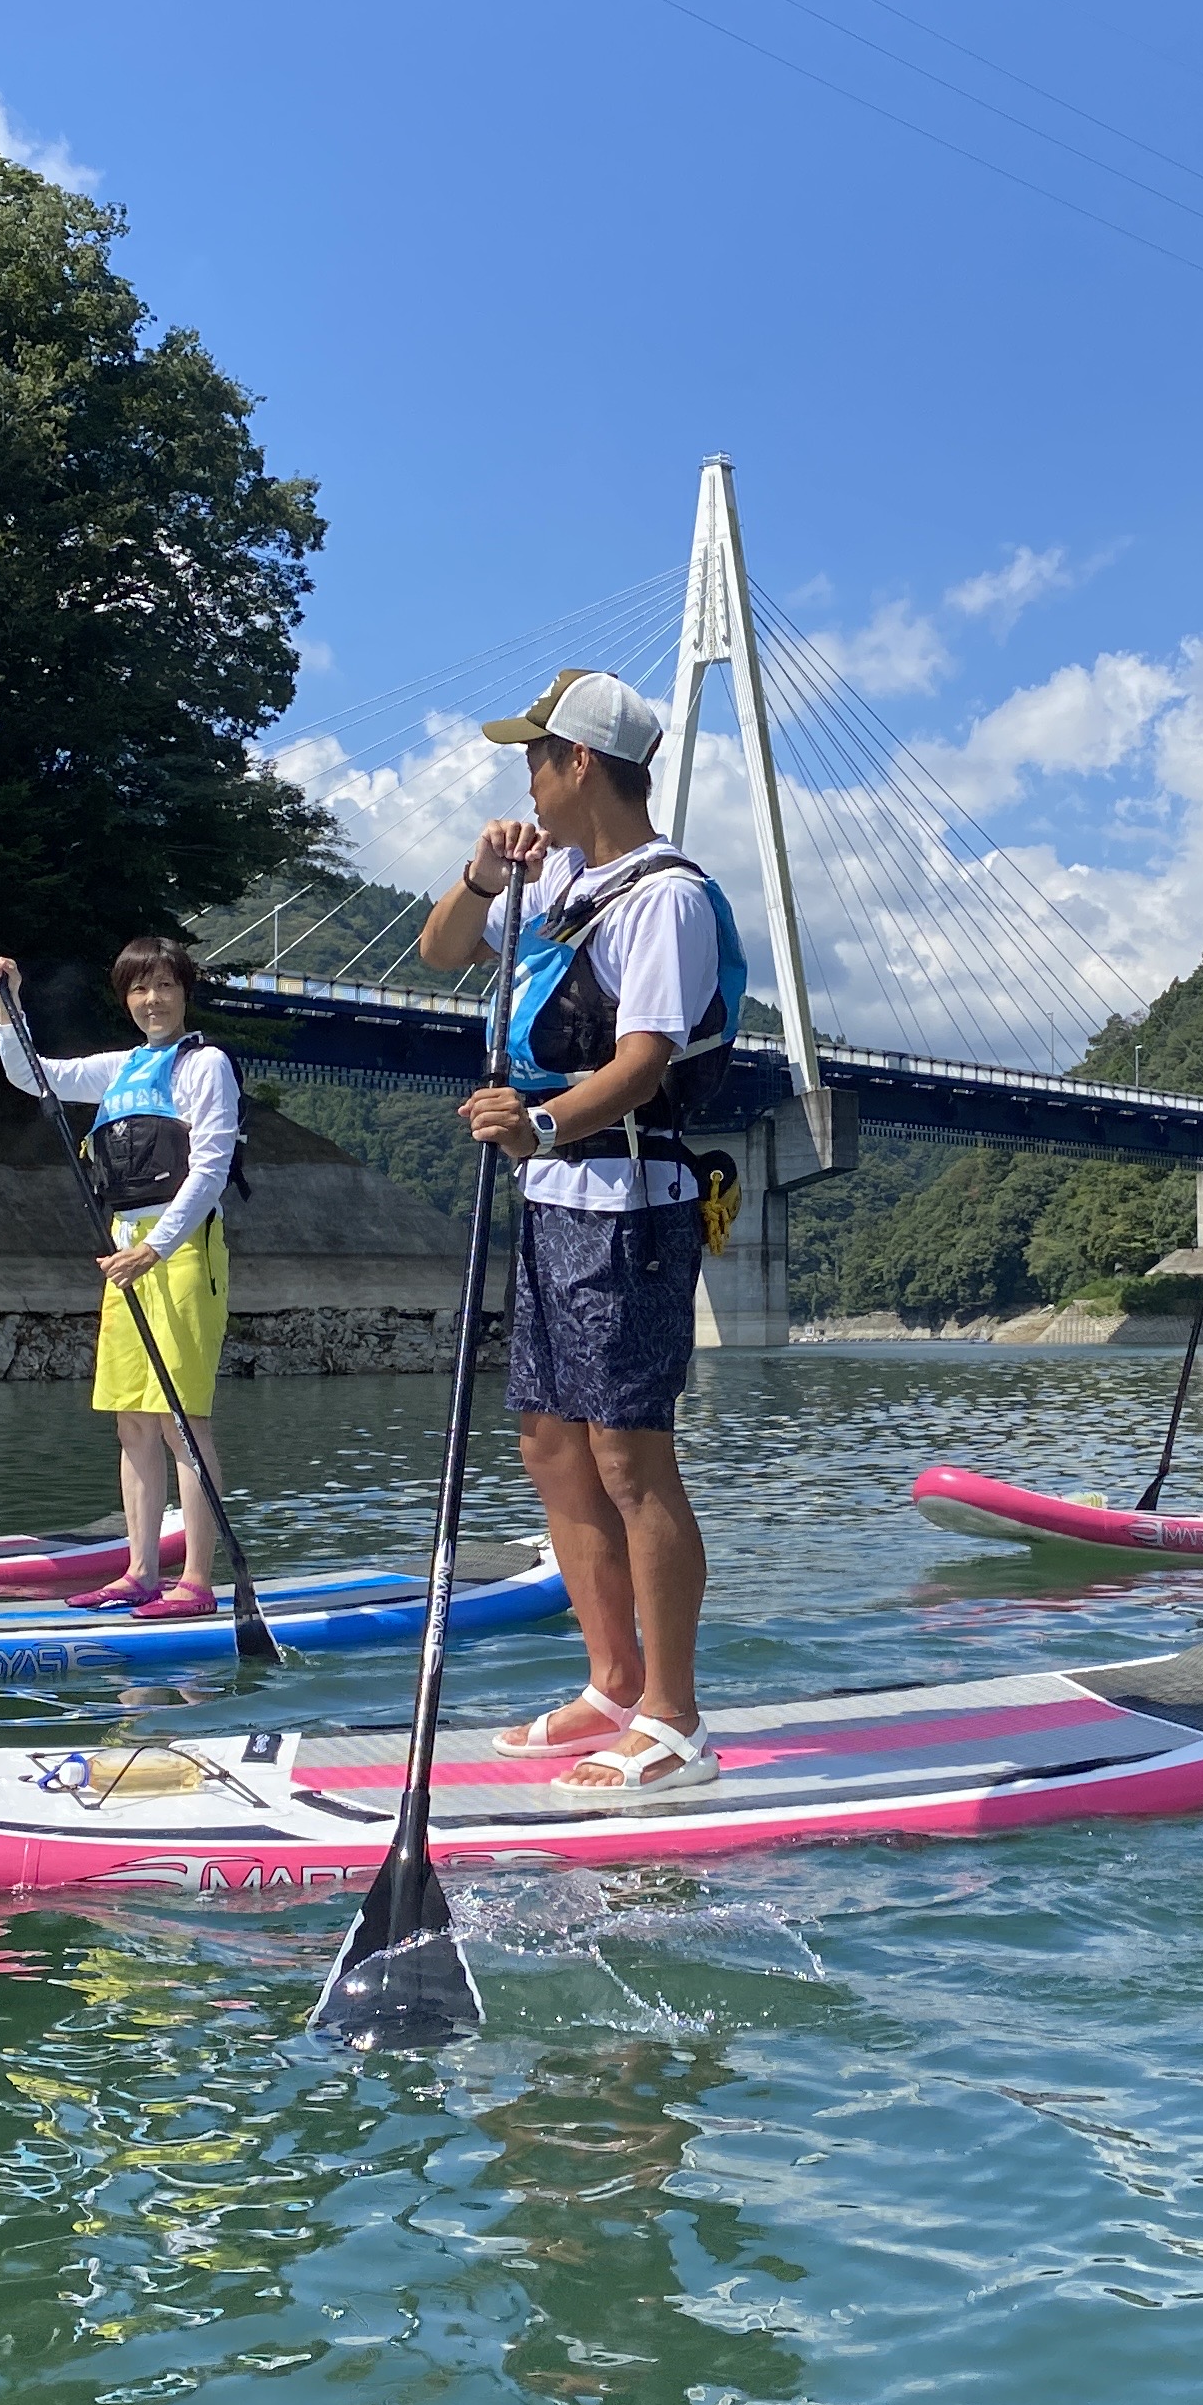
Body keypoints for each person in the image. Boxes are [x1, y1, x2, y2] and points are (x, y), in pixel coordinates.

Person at [415, 667, 748, 1807]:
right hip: (556, 1208)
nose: (524, 776)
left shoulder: (666, 900)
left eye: (534, 758)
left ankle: (677, 1716)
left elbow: (646, 1058)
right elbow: (442, 952)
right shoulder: (556, 879)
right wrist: (479, 871)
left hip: (636, 1208)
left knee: (629, 1458)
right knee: (551, 1448)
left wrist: (542, 1120)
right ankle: (612, 1684)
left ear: (582, 767)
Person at [0, 937, 242, 1620]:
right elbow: (34, 1077)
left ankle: (197, 1582)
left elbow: (209, 1172)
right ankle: (140, 1571)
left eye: (163, 987)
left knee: (184, 1422)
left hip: (178, 1253)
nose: (151, 1001)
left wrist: (155, 1249)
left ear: (185, 991)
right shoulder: (122, 1067)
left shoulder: (205, 1065)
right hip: (124, 1251)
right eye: (137, 990)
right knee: (133, 1422)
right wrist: (11, 1012)